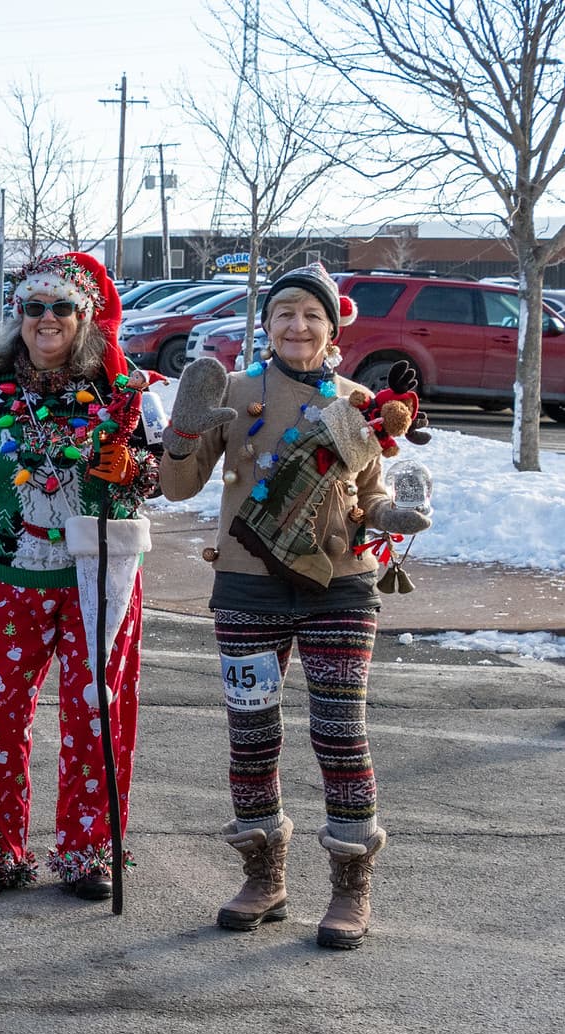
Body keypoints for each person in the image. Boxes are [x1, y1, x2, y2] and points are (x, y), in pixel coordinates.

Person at [160, 262, 431, 949]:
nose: (297, 325)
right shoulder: (232, 390)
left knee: (340, 732)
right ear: (267, 324)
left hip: (340, 585)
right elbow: (177, 487)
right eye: (284, 312)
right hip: (247, 585)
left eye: (311, 315)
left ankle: (350, 886)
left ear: (331, 329)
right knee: (251, 735)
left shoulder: (359, 402)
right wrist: (184, 432)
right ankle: (264, 878)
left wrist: (391, 513)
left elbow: (368, 494)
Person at [0, 252, 162, 900]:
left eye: (61, 306)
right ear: (19, 316)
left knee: (97, 714)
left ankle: (89, 850)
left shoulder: (119, 389)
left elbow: (160, 475)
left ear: (84, 316)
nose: (46, 318)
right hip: (12, 576)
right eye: (33, 307)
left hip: (98, 576)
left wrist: (131, 468)